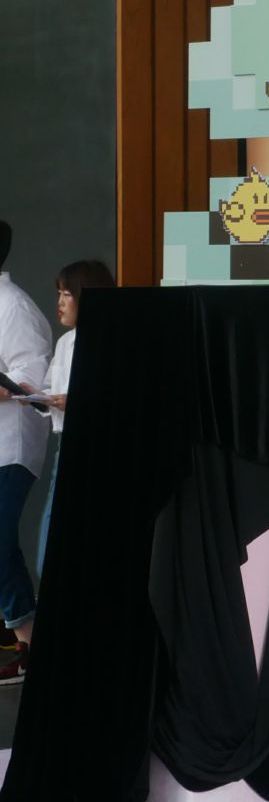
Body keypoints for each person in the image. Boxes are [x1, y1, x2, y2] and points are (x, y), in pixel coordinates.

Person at [22, 260, 115, 574]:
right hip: (66, 445)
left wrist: (77, 402)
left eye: (67, 294)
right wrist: (33, 396)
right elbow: (52, 390)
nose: (60, 303)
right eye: (59, 294)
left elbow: (118, 397)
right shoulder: (65, 343)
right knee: (52, 534)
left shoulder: (113, 341)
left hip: (102, 447)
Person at [0, 222, 51, 684]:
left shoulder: (13, 306)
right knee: (2, 544)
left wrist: (12, 386)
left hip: (10, 445)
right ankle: (28, 644)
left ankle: (28, 639)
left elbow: (30, 378)